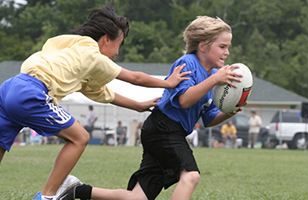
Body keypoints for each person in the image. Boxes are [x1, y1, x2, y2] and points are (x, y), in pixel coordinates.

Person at [0, 1, 191, 200]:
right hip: (31, 92)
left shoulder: (73, 49)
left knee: (1, 143)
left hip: (9, 87)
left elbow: (106, 95)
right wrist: (169, 83)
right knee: (80, 138)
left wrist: (139, 106)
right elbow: (134, 77)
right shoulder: (92, 55)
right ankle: (47, 196)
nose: (117, 53)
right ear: (106, 39)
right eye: (119, 44)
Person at [60, 15, 245, 200]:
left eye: (228, 47)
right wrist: (215, 80)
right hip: (163, 127)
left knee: (137, 198)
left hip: (166, 132)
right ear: (203, 46)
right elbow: (184, 101)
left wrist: (228, 112)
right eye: (222, 46)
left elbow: (209, 119)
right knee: (190, 176)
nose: (227, 52)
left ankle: (76, 189)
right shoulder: (187, 63)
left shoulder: (213, 76)